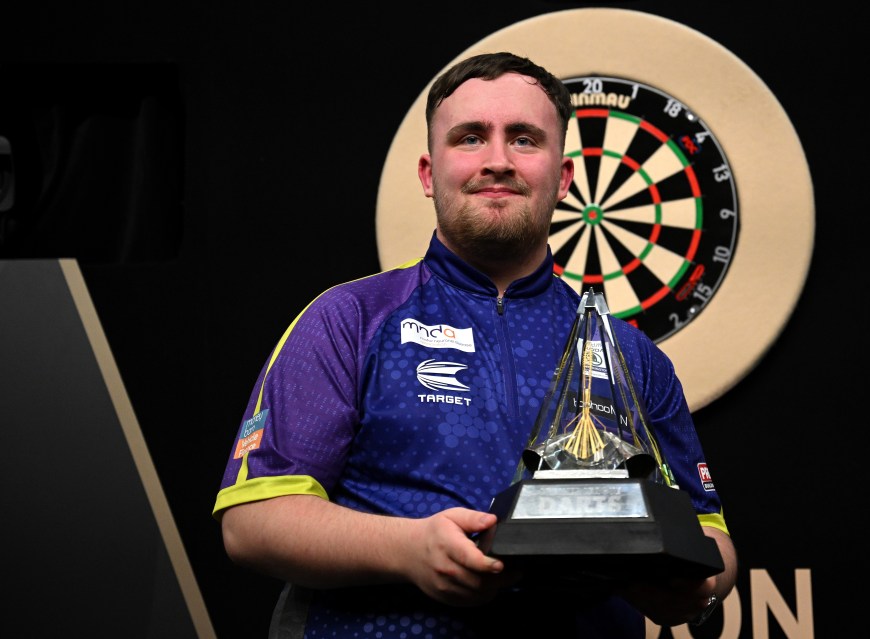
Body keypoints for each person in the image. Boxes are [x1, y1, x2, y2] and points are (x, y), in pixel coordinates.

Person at [213, 51, 737, 638]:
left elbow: (711, 536)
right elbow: (253, 522)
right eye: (469, 138)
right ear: (427, 173)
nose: (497, 161)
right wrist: (408, 550)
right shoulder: (348, 319)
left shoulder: (631, 354)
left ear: (562, 178)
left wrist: (687, 586)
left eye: (523, 139)